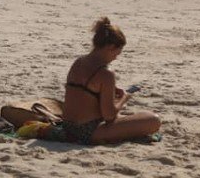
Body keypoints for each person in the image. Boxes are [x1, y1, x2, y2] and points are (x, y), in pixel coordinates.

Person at [62, 17, 161, 145]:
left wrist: (111, 90)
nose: (115, 58)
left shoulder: (79, 62)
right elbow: (109, 116)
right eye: (116, 53)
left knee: (134, 118)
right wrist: (124, 98)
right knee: (153, 120)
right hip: (88, 132)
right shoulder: (106, 74)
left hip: (67, 127)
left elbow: (82, 91)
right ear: (110, 47)